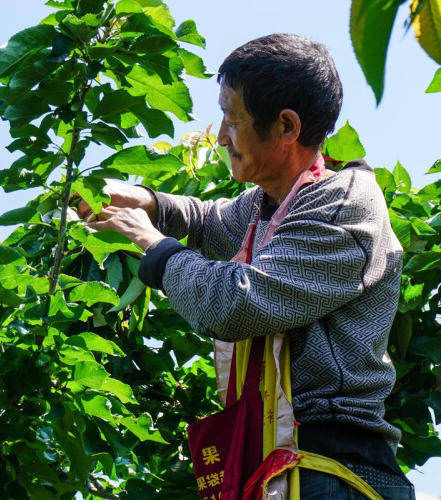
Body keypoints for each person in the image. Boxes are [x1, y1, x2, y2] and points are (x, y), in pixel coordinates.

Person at [77, 34, 415, 499]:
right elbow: (207, 220)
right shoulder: (269, 204)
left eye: (233, 121)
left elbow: (237, 304)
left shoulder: (342, 203)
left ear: (286, 127)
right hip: (284, 460)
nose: (221, 136)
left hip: (334, 471)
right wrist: (147, 201)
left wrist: (152, 244)